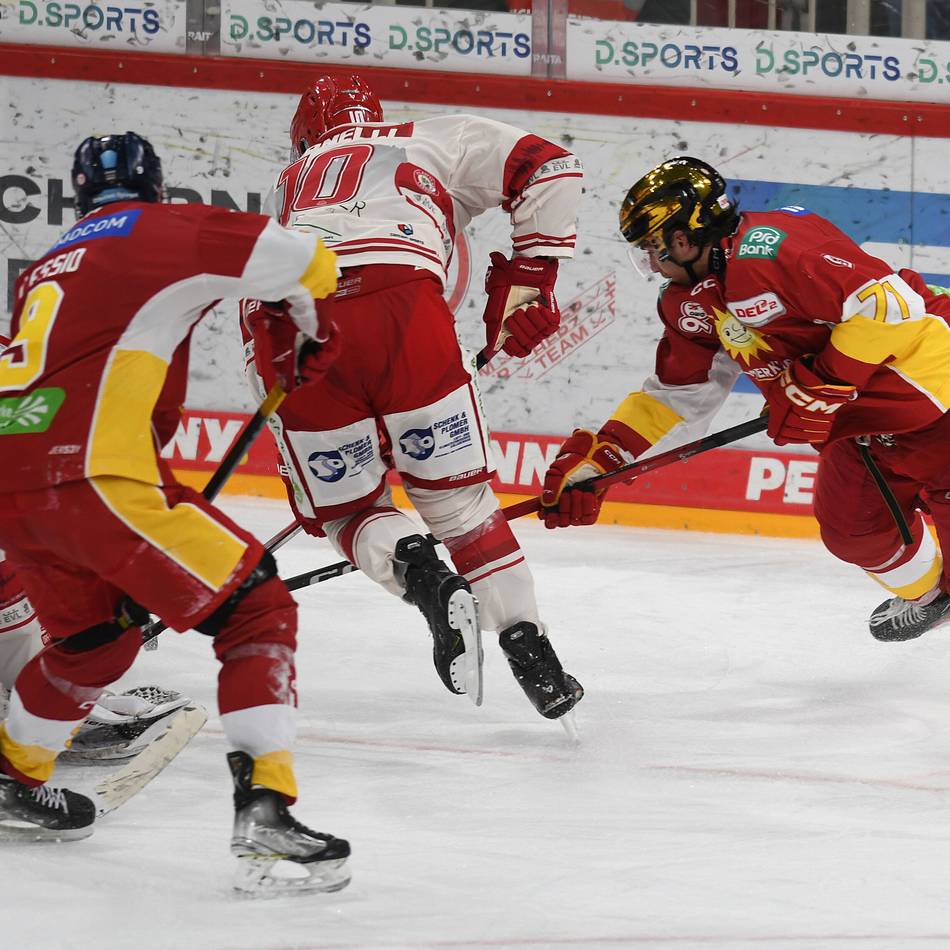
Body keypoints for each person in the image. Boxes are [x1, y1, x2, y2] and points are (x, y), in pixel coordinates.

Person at [0, 131, 351, 895]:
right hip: (90, 476)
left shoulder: (44, 269)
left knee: (94, 645)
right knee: (257, 607)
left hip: (13, 482)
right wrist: (307, 325)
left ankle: (11, 777)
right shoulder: (158, 229)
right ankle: (267, 812)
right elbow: (311, 261)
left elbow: (142, 402)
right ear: (156, 187)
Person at [242, 74, 585, 722]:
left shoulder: (287, 190)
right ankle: (531, 648)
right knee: (459, 504)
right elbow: (550, 166)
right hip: (405, 309)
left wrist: (306, 405)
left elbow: (252, 305)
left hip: (290, 322)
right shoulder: (428, 139)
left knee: (348, 513)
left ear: (305, 138)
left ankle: (423, 577)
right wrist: (529, 278)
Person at [540, 156, 950, 644]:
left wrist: (821, 383)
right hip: (861, 428)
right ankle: (934, 597)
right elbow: (681, 393)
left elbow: (892, 307)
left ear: (683, 236)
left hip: (933, 394)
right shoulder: (687, 302)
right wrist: (607, 456)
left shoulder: (772, 250)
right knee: (852, 529)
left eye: (652, 246)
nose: (650, 262)